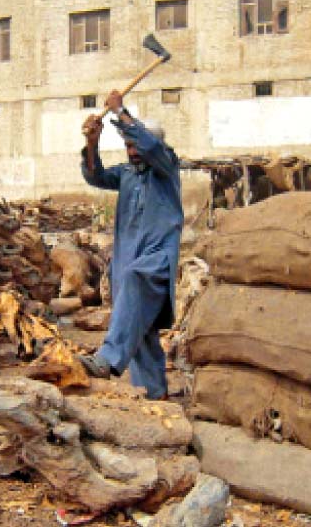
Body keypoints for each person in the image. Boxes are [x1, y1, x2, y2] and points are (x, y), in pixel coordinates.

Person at [78, 89, 183, 400]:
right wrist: (92, 143)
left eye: (135, 145)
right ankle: (152, 392)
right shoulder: (126, 175)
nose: (132, 151)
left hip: (156, 259)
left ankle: (108, 360)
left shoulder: (166, 166)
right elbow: (94, 176)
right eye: (127, 146)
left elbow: (150, 145)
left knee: (137, 281)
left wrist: (120, 112)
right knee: (140, 328)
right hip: (128, 258)